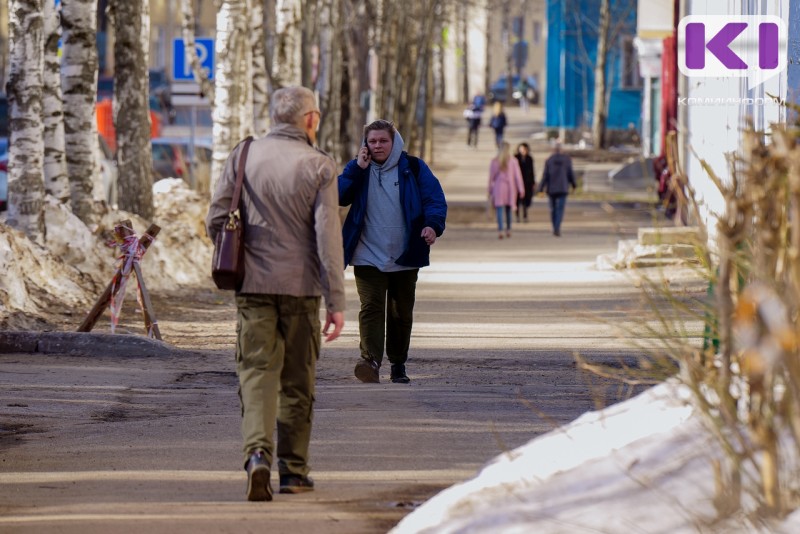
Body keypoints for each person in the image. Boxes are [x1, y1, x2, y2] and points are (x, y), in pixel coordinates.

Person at [206, 86, 345, 502]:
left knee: (256, 373)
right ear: (310, 119)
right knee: (297, 380)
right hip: (301, 289)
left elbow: (216, 217)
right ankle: (295, 472)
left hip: (253, 286)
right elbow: (327, 238)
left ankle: (257, 454)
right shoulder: (319, 166)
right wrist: (336, 300)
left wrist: (245, 252)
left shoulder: (244, 155)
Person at [338, 120, 447, 384]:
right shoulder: (359, 170)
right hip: (367, 252)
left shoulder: (413, 167)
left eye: (382, 141)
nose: (377, 146)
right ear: (365, 144)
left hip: (405, 252)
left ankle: (398, 363)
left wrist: (432, 226)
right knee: (371, 307)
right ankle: (371, 361)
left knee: (400, 312)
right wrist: (356, 167)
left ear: (394, 141)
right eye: (372, 141)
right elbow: (339, 195)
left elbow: (434, 200)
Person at [537, 140, 576, 237]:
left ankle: (555, 226)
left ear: (553, 149)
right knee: (560, 209)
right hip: (563, 187)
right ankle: (557, 227)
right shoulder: (567, 160)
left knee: (553, 209)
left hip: (552, 188)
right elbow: (570, 173)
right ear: (561, 149)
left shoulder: (549, 160)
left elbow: (545, 176)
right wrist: (574, 185)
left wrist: (541, 188)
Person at [488, 142, 524, 239]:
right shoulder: (513, 161)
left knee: (499, 209)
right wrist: (521, 189)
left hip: (499, 188)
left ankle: (500, 230)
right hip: (510, 188)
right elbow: (518, 176)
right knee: (509, 209)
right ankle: (508, 229)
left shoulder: (495, 161)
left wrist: (490, 190)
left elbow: (491, 178)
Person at [514, 143, 535, 223]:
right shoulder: (515, 158)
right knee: (517, 200)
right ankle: (517, 216)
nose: (523, 151)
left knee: (525, 201)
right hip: (517, 183)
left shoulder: (529, 159)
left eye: (525, 149)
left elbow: (532, 171)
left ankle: (525, 216)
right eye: (522, 149)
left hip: (527, 182)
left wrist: (533, 182)